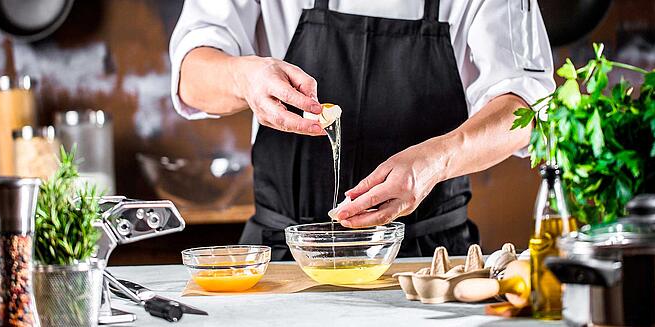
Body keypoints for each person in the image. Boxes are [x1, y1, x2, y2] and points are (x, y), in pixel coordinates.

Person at [170, 0, 554, 260]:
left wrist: (435, 162)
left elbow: (526, 109)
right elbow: (192, 75)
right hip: (284, 255)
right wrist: (244, 78)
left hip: (427, 259)